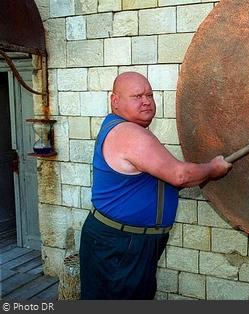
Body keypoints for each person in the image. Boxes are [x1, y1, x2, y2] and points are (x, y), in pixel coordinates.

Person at [79, 72, 232, 299]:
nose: (146, 101)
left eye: (149, 95)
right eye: (137, 96)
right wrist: (212, 168)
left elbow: (155, 180)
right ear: (115, 101)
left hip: (128, 243)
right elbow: (179, 175)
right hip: (119, 245)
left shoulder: (132, 130)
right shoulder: (128, 133)